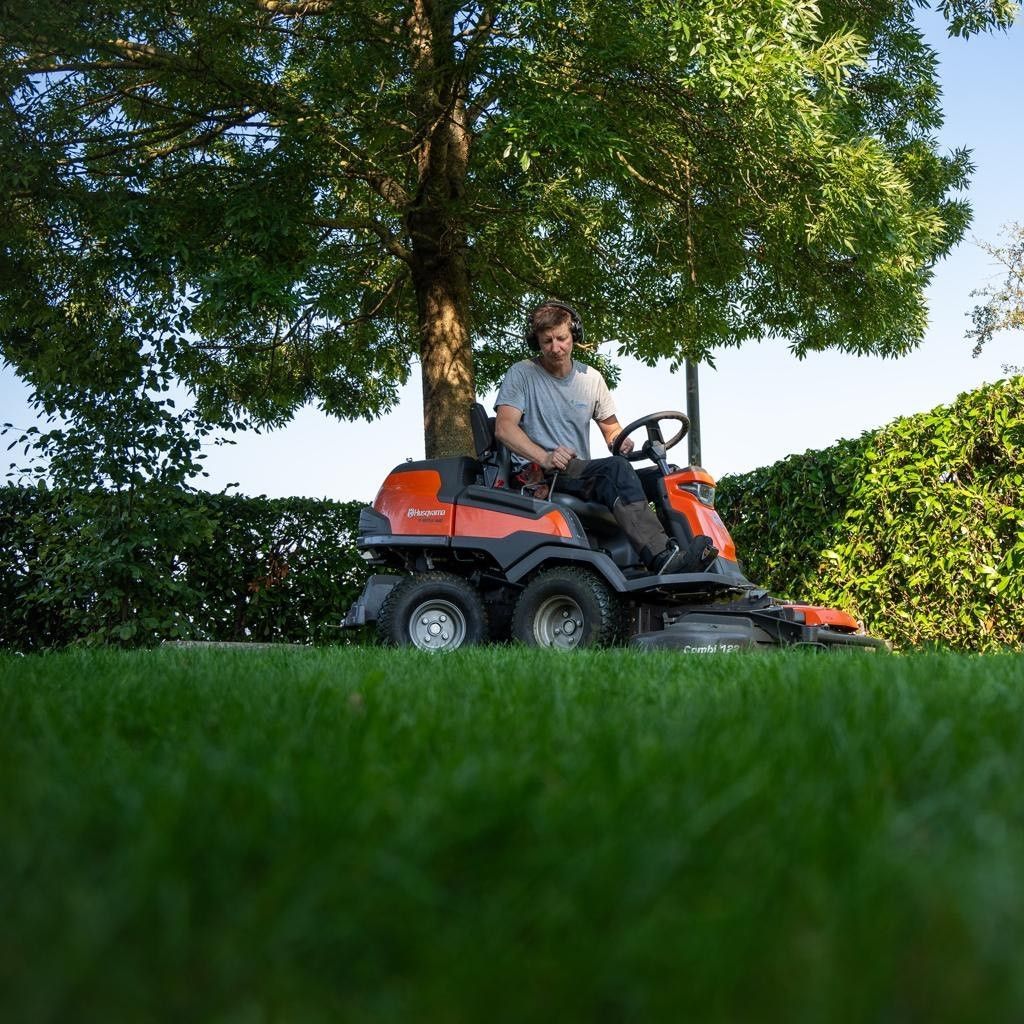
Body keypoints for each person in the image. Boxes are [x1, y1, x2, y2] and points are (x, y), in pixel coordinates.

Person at [494, 300, 717, 575]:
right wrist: (545, 456)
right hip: (544, 473)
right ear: (536, 342)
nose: (556, 348)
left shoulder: (592, 379)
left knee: (665, 476)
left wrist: (619, 442)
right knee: (615, 471)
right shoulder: (522, 374)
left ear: (574, 334)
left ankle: (692, 558)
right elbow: (504, 428)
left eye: (562, 338)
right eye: (547, 341)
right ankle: (661, 559)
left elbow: (611, 430)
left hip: (578, 472)